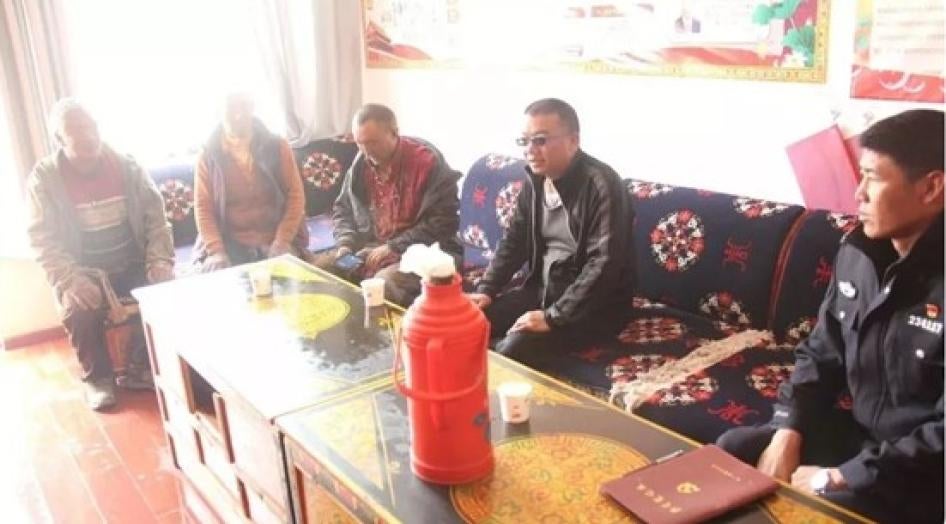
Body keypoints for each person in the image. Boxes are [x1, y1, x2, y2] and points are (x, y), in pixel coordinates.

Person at [716, 109, 944, 523]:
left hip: (923, 474)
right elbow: (821, 353)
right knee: (737, 450)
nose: (859, 193)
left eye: (873, 177)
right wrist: (788, 429)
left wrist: (839, 478)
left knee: (829, 504)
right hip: (861, 437)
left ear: (931, 187)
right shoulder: (859, 253)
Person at [26, 98, 175, 411]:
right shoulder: (45, 179)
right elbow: (41, 238)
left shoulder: (127, 167)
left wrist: (159, 260)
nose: (88, 136)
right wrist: (71, 279)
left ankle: (141, 365)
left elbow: (157, 219)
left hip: (132, 261)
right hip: (84, 270)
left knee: (165, 293)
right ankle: (98, 378)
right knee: (79, 308)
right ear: (59, 139)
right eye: (77, 130)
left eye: (91, 127)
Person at [467, 98, 636, 368]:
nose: (530, 151)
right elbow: (515, 239)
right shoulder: (535, 179)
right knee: (470, 324)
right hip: (541, 290)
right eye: (524, 141)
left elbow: (603, 264)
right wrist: (487, 289)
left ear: (573, 141)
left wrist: (554, 316)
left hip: (594, 308)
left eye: (541, 140)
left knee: (513, 349)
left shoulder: (602, 185)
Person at [327, 103, 462, 305]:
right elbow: (342, 209)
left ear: (394, 133)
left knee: (382, 284)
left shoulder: (427, 163)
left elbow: (444, 223)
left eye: (372, 143)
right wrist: (345, 244)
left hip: (426, 252)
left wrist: (394, 246)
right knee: (323, 269)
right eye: (359, 143)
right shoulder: (361, 163)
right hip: (373, 246)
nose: (366, 151)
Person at [193, 92, 308, 271]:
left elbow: (296, 196)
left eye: (244, 107)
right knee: (214, 276)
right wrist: (216, 250)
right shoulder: (207, 156)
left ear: (253, 108)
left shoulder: (278, 146)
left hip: (277, 239)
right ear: (219, 112)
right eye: (232, 108)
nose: (239, 115)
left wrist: (282, 241)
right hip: (229, 243)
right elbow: (203, 208)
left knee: (295, 279)